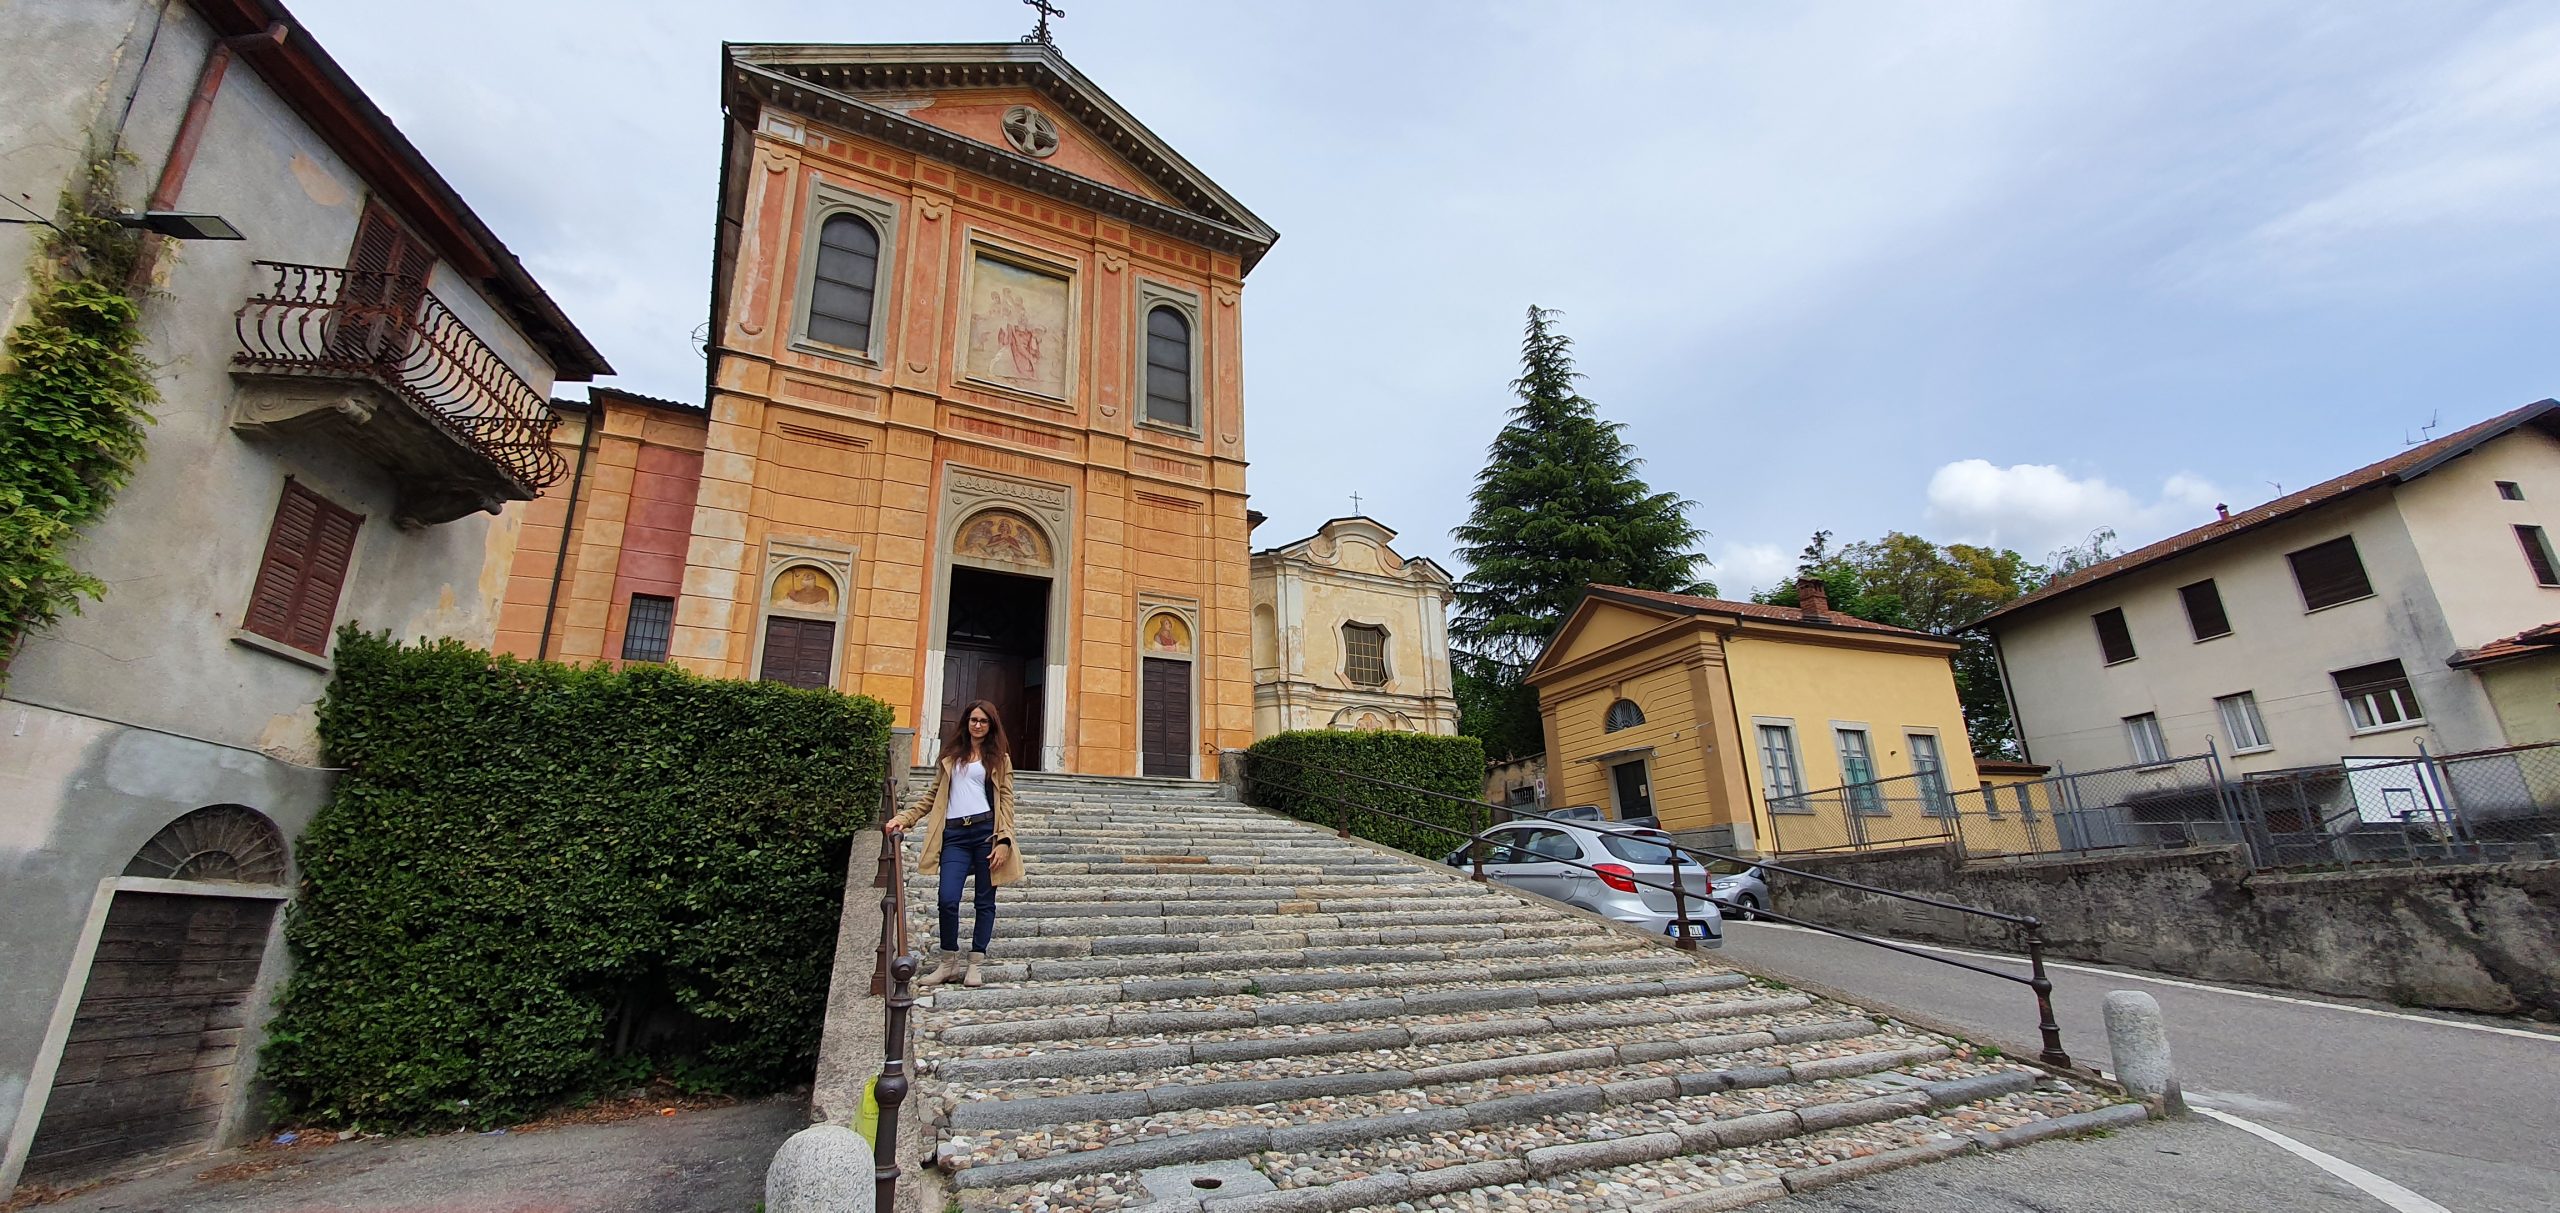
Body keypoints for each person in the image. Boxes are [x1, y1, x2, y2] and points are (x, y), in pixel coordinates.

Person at [883, 700, 1022, 988]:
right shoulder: (952, 757)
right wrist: (905, 818)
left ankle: (975, 963)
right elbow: (932, 796)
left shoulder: (1000, 759)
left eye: (984, 721)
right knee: (947, 898)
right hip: (955, 836)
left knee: (985, 902)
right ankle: (948, 962)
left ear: (991, 725)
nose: (978, 725)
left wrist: (1004, 840)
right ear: (966, 722)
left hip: (986, 832)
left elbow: (1006, 801)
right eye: (974, 720)